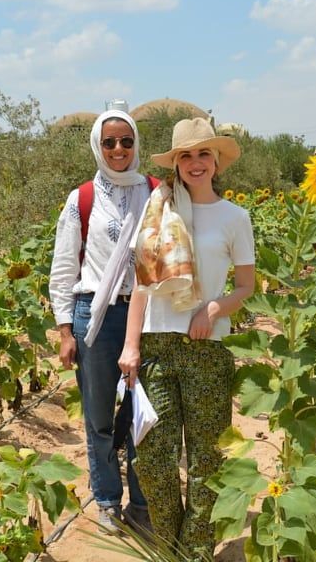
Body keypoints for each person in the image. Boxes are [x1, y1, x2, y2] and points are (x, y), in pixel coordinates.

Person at [118, 117, 255, 560]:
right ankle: (171, 546)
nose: (195, 163)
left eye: (203, 154)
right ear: (176, 163)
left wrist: (214, 309)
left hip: (206, 349)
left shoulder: (236, 218)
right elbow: (141, 282)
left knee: (205, 463)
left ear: (217, 162)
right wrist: (131, 344)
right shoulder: (157, 211)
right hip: (156, 346)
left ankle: (192, 554)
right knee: (153, 461)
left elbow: (246, 285)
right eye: (186, 156)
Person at [49, 109, 154, 535]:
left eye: (126, 142)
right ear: (97, 144)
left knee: (145, 414)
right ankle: (108, 499)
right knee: (100, 417)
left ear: (136, 145)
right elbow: (62, 267)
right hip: (95, 314)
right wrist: (63, 330)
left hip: (147, 314)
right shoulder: (83, 199)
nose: (117, 150)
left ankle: (144, 503)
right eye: (109, 142)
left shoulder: (155, 192)